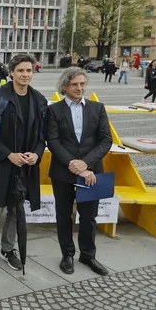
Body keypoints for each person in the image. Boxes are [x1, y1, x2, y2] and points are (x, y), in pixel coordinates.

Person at [0, 54, 48, 276]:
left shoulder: (38, 99)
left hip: (25, 165)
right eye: (21, 71)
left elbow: (41, 136)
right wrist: (9, 155)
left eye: (29, 71)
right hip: (1, 164)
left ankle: (8, 249)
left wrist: (36, 154)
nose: (25, 74)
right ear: (12, 73)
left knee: (16, 211)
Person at [47, 67, 112, 276]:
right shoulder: (53, 110)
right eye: (75, 84)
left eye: (82, 84)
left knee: (89, 216)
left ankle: (88, 255)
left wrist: (85, 164)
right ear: (64, 86)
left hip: (92, 172)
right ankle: (67, 254)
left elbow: (105, 140)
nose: (80, 88)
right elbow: (53, 142)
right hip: (63, 172)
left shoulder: (97, 108)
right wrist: (74, 164)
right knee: (64, 215)